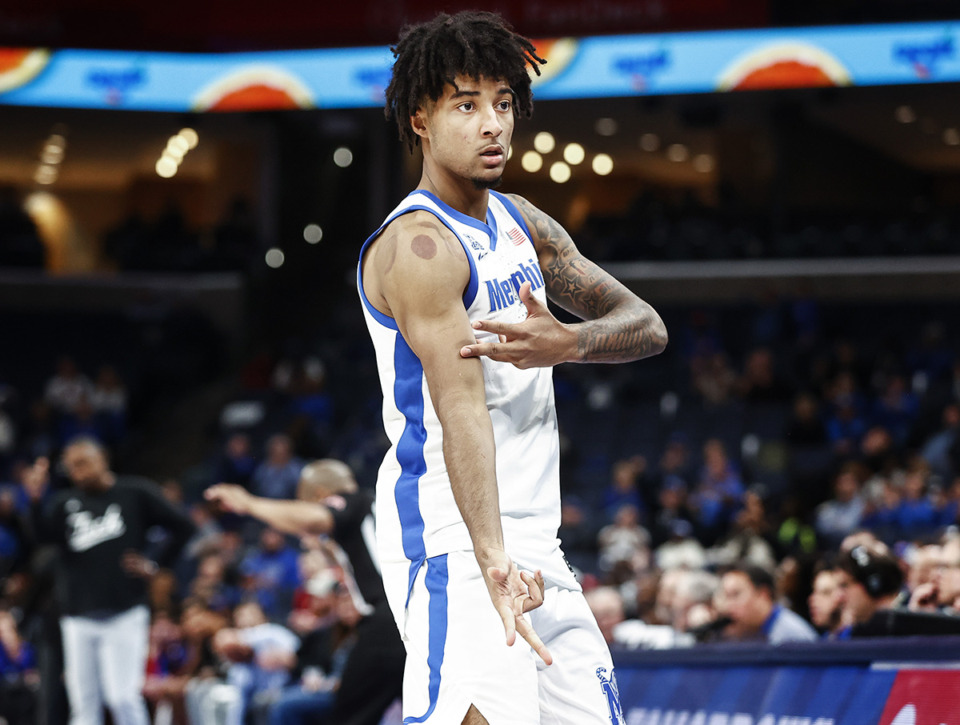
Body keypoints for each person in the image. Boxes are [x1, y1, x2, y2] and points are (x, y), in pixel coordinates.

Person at [358, 11, 667, 724]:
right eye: (466, 105)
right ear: (420, 120)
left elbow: (646, 325)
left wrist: (570, 342)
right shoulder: (420, 247)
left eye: (502, 103)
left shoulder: (523, 221)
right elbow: (462, 406)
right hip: (454, 535)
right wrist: (492, 558)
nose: (492, 123)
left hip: (536, 536)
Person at [204, 458, 405, 725]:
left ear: (321, 495)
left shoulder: (348, 501)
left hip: (386, 620)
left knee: (349, 716)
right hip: (409, 617)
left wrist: (248, 503)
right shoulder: (376, 510)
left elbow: (317, 518)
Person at [22, 437, 195, 725]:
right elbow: (40, 538)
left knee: (123, 698)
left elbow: (183, 525)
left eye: (83, 462)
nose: (78, 472)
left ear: (102, 458)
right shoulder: (65, 503)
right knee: (84, 704)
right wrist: (36, 500)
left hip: (125, 611)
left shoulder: (134, 492)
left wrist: (154, 563)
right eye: (71, 467)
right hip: (77, 615)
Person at [715, 565, 817, 644]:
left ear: (763, 595)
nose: (728, 605)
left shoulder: (792, 637)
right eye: (726, 596)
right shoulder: (742, 630)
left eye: (735, 595)